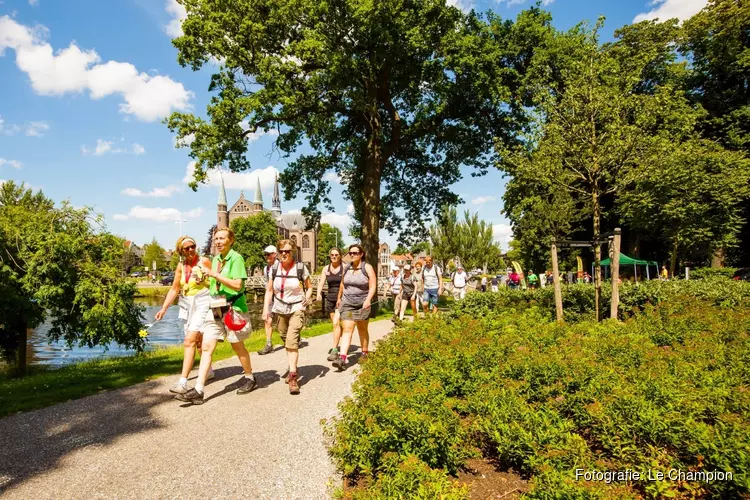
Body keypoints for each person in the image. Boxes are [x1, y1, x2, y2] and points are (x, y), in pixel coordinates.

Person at [176, 228, 256, 405]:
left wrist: (214, 274)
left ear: (231, 240)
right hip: (216, 308)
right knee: (206, 346)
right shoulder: (216, 260)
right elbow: (214, 282)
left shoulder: (236, 259)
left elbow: (237, 285)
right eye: (216, 239)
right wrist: (203, 279)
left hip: (233, 308)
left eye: (222, 238)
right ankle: (198, 389)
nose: (218, 242)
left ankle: (250, 377)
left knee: (237, 346)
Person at [156, 236, 214, 395]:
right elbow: (175, 289)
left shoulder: (205, 262)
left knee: (189, 340)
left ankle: (182, 382)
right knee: (199, 342)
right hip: (187, 305)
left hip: (203, 302)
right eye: (186, 248)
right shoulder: (181, 266)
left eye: (193, 246)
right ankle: (208, 370)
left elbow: (216, 282)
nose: (190, 250)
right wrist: (164, 308)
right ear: (181, 251)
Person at [262, 239, 312, 395]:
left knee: (291, 340)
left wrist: (307, 297)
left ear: (293, 252)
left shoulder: (300, 268)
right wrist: (266, 310)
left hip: (297, 307)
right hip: (280, 308)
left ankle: (293, 376)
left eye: (288, 251)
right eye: (282, 251)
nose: (284, 254)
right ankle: (293, 362)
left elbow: (309, 287)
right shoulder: (274, 268)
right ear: (278, 253)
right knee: (284, 336)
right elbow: (269, 290)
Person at [334, 244, 377, 371]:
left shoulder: (367, 268)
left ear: (361, 254)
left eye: (355, 253)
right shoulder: (346, 267)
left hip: (362, 303)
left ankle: (364, 353)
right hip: (347, 303)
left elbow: (373, 285)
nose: (353, 255)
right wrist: (339, 298)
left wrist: (368, 300)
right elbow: (342, 283)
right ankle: (342, 358)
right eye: (351, 253)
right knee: (347, 329)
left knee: (362, 329)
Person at [316, 247, 344, 362]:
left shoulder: (345, 267)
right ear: (329, 256)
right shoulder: (326, 268)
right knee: (335, 324)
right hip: (330, 297)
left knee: (336, 323)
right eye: (332, 255)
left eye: (336, 255)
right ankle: (343, 337)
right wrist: (318, 293)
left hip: (341, 298)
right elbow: (321, 282)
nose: (334, 256)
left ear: (340, 256)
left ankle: (335, 350)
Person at [257, 245, 278, 356]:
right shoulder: (266, 268)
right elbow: (267, 284)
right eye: (265, 254)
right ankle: (269, 344)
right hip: (271, 297)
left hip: (281, 297)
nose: (267, 256)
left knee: (284, 321)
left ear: (275, 254)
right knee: (268, 320)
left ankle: (294, 339)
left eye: (269, 254)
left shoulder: (280, 266)